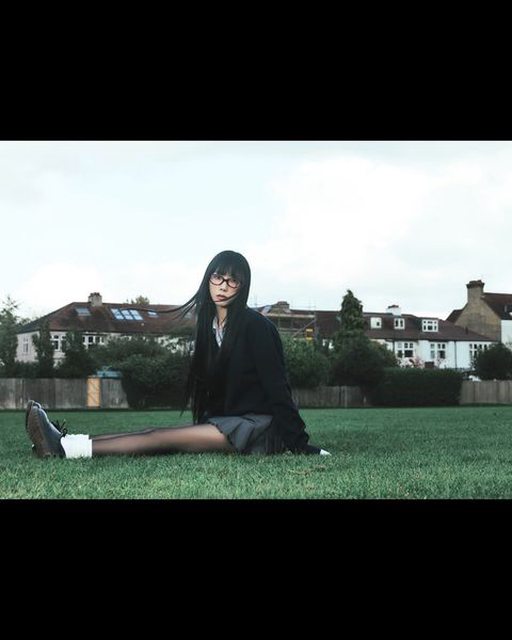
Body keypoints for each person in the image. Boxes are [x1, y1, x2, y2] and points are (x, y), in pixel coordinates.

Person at [25, 250, 331, 459]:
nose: (223, 286)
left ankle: (64, 449)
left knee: (162, 438)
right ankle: (67, 442)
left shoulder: (257, 327)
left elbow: (278, 388)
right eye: (218, 277)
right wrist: (208, 422)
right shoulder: (209, 328)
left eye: (233, 280)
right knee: (156, 433)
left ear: (242, 286)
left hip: (260, 429)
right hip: (232, 422)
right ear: (208, 279)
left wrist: (300, 444)